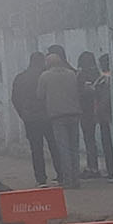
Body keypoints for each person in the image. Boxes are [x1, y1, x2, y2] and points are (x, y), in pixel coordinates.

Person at [37, 47, 85, 189]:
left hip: (57, 116)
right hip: (74, 114)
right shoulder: (71, 74)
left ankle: (68, 180)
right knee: (74, 148)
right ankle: (76, 179)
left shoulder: (44, 76)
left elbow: (39, 95)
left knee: (63, 149)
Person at [9, 57, 53, 184]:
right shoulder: (45, 75)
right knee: (54, 146)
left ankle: (41, 179)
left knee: (36, 149)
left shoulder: (21, 78)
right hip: (47, 117)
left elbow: (15, 98)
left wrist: (22, 114)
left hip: (30, 119)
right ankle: (61, 175)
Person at [76, 52, 111, 176]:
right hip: (101, 111)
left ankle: (93, 167)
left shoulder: (80, 75)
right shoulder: (98, 74)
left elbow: (79, 92)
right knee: (106, 140)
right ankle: (109, 168)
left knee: (89, 140)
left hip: (86, 111)